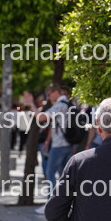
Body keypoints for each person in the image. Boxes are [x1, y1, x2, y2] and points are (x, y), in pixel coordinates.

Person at [35, 84, 72, 214]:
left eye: (49, 94)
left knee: (50, 174)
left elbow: (41, 118)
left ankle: (50, 206)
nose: (48, 97)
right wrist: (48, 140)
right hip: (67, 144)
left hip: (59, 146)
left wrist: (31, 105)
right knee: (64, 177)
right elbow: (55, 125)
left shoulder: (60, 105)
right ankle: (66, 205)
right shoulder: (67, 103)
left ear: (56, 92)